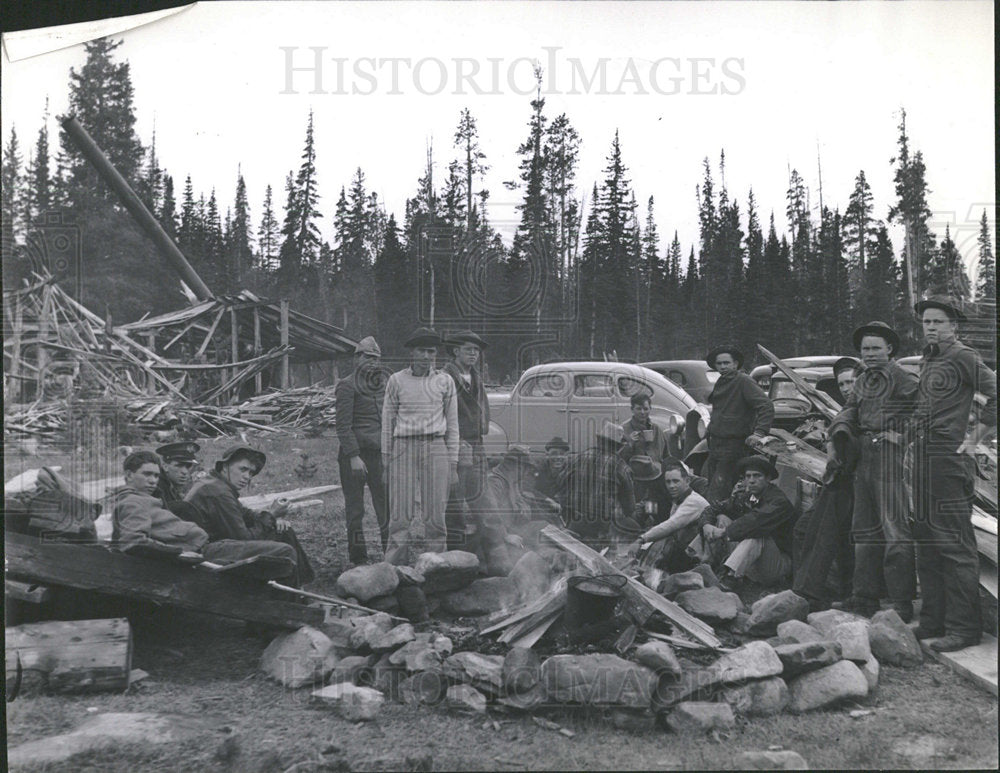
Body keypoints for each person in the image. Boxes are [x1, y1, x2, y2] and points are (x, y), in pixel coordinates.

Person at [910, 296, 996, 652]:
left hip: (948, 459)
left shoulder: (962, 356)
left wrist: (975, 439)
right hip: (924, 458)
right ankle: (933, 621)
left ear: (954, 326)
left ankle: (964, 629)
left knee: (955, 546)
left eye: (938, 322)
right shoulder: (931, 358)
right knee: (927, 543)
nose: (930, 327)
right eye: (927, 322)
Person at [831, 321, 919, 621]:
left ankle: (901, 603)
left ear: (889, 349)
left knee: (895, 531)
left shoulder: (901, 377)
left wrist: (901, 436)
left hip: (890, 457)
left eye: (875, 348)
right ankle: (864, 597)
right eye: (865, 349)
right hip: (864, 455)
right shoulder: (863, 379)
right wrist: (840, 427)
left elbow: (922, 411)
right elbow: (851, 409)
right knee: (864, 530)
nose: (868, 354)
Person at [381, 327, 459, 565]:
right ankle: (394, 568)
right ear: (412, 353)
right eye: (422, 351)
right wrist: (386, 459)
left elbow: (453, 423)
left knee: (435, 515)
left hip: (436, 447)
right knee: (400, 515)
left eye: (431, 351)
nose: (427, 356)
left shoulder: (445, 381)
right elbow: (387, 421)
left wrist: (453, 462)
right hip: (403, 447)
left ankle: (437, 565)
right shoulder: (396, 380)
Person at [183, 445, 315, 585]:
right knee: (285, 551)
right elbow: (242, 537)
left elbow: (247, 514)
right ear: (225, 466)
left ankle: (300, 587)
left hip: (216, 543)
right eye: (243, 469)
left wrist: (273, 518)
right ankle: (290, 599)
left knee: (283, 531)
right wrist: (271, 515)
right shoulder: (218, 492)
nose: (247, 477)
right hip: (205, 549)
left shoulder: (217, 484)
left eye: (251, 472)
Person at [696, 455, 797, 591]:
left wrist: (725, 532)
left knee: (756, 536)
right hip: (754, 561)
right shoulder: (750, 496)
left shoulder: (778, 501)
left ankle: (731, 579)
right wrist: (706, 524)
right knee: (722, 517)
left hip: (778, 564)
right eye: (748, 476)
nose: (751, 481)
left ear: (768, 479)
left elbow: (754, 522)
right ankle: (704, 562)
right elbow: (714, 507)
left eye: (757, 476)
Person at [335, 335, 389, 565]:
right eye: (367, 357)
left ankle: (391, 555)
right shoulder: (347, 385)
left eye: (376, 358)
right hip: (354, 456)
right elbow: (343, 425)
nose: (372, 362)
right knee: (355, 509)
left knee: (385, 506)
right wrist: (354, 456)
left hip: (379, 455)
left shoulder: (384, 385)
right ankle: (358, 558)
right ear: (357, 358)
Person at [703, 345, 775, 502]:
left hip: (733, 447)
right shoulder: (721, 382)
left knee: (719, 490)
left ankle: (717, 524)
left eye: (726, 363)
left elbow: (766, 406)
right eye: (719, 363)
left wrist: (759, 433)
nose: (723, 366)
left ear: (735, 364)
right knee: (712, 486)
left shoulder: (743, 381)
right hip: (716, 444)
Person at [442, 330, 491, 552]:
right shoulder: (445, 378)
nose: (473, 354)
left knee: (482, 497)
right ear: (455, 351)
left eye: (476, 350)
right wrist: (454, 443)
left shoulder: (477, 377)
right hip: (457, 443)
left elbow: (484, 410)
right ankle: (455, 551)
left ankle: (488, 550)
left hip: (477, 443)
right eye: (468, 349)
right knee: (455, 499)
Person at [111, 450, 208, 556]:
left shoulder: (146, 498)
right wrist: (179, 553)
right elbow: (133, 541)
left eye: (156, 476)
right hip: (199, 552)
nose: (153, 481)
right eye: (147, 474)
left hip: (199, 546)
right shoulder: (133, 502)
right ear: (129, 475)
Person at [563, 422, 639, 549]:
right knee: (635, 528)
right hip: (604, 526)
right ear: (617, 447)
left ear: (599, 440)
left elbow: (563, 486)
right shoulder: (621, 467)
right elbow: (630, 508)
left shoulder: (577, 458)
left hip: (576, 522)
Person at [635, 458, 711, 573]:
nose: (671, 486)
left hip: (699, 554)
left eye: (676, 481)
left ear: (687, 481)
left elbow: (671, 525)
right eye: (668, 482)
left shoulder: (692, 501)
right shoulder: (677, 498)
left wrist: (642, 539)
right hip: (685, 546)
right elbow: (649, 510)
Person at [471, 445, 533, 575]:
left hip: (508, 531)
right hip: (490, 539)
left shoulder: (510, 481)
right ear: (515, 466)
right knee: (509, 570)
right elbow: (487, 516)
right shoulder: (494, 482)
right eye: (524, 469)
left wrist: (523, 508)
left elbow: (519, 504)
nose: (524, 474)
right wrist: (506, 535)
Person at [154, 441, 200, 506]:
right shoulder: (157, 488)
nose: (185, 472)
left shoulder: (170, 486)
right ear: (165, 466)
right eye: (179, 465)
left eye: (188, 466)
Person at [535, 436, 570, 501]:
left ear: (566, 456)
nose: (558, 457)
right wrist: (547, 500)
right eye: (554, 454)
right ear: (547, 455)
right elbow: (531, 490)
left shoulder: (570, 472)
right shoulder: (539, 470)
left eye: (562, 454)